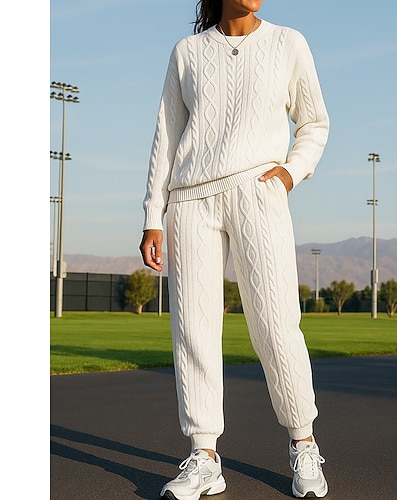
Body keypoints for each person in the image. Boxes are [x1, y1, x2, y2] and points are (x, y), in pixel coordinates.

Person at [139, 0, 330, 498]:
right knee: (193, 329)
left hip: (257, 192)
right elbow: (167, 136)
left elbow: (314, 123)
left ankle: (303, 443)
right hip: (190, 200)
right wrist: (153, 216)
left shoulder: (288, 43)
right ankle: (204, 457)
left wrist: (290, 173)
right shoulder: (187, 52)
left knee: (276, 323)